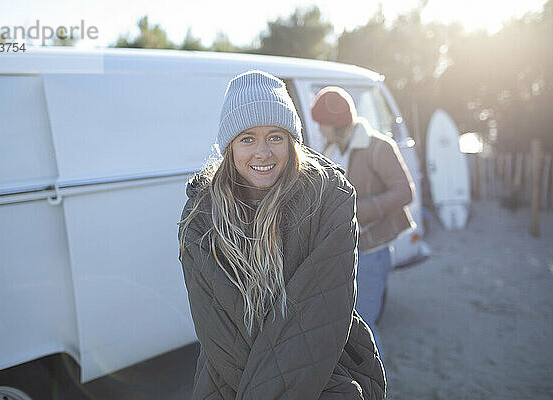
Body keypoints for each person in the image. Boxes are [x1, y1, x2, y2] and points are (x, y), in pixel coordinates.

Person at [178, 71, 386, 400]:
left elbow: (321, 317)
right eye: (247, 138)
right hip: (227, 384)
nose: (263, 152)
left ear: (291, 140)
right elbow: (219, 334)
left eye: (275, 136)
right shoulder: (201, 218)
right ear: (229, 145)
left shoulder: (329, 200)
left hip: (322, 376)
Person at [310, 86, 416, 357]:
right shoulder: (331, 148)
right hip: (341, 249)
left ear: (335, 124)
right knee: (343, 325)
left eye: (322, 123)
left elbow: (405, 192)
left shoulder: (379, 147)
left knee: (365, 327)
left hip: (371, 251)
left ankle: (374, 387)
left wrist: (358, 209)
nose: (319, 129)